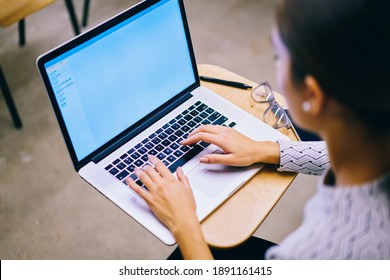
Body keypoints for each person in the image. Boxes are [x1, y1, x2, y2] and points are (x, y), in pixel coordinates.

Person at [126, 0, 390, 259]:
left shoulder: (316, 250)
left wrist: (183, 223)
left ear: (312, 95)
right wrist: (265, 149)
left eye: (279, 57)